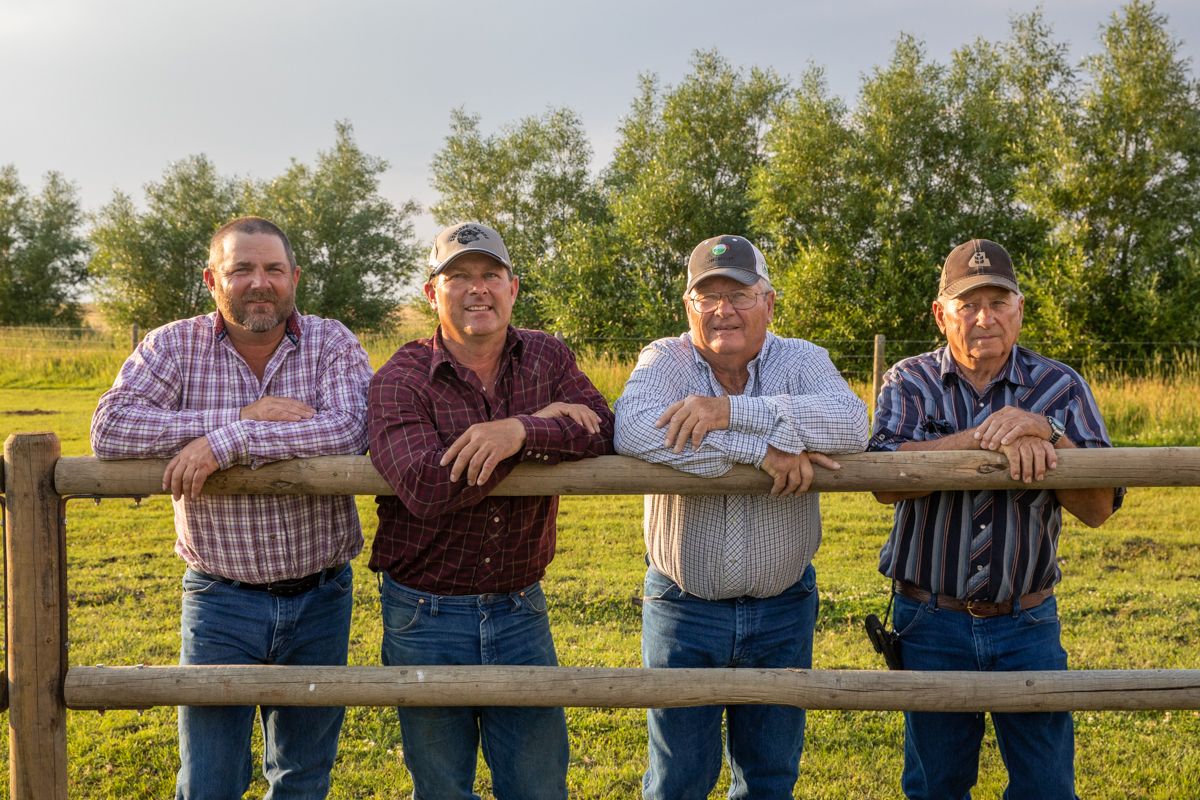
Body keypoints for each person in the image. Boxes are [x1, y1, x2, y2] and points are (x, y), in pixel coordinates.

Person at [90, 216, 372, 800]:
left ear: (294, 277)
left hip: (321, 596)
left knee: (302, 774)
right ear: (212, 279)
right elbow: (111, 429)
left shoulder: (331, 341)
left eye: (272, 268)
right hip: (220, 599)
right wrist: (238, 417)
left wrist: (228, 444)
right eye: (241, 269)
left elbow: (351, 429)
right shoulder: (173, 344)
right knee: (209, 779)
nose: (259, 282)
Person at [614, 235, 869, 800]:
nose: (723, 309)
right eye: (708, 296)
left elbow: (853, 427)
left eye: (740, 294)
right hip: (684, 607)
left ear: (769, 302)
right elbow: (632, 429)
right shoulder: (665, 358)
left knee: (769, 779)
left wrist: (727, 412)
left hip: (783, 606)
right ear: (689, 307)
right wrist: (761, 451)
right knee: (678, 780)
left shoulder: (803, 358)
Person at [870, 238, 1124, 800]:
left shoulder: (1060, 387)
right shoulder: (909, 381)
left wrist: (1048, 437)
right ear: (941, 315)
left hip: (1026, 620)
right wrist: (989, 440)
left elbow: (1100, 509)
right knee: (937, 787)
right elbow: (883, 481)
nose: (985, 318)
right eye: (968, 304)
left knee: (1047, 787)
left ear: (1020, 308)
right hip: (929, 619)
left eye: (998, 302)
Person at [368, 222, 614, 800]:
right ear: (433, 292)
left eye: (490, 276)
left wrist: (516, 431)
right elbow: (426, 484)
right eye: (458, 277)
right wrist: (545, 428)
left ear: (513, 287)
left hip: (520, 605)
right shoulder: (399, 378)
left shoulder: (547, 355)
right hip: (424, 613)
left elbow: (602, 428)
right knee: (442, 788)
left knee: (538, 785)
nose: (477, 289)